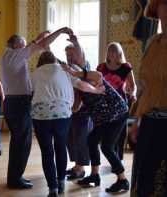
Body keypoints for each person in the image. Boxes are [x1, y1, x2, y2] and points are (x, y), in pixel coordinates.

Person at [1, 27, 73, 189]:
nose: (27, 49)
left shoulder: (8, 56)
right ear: (16, 45)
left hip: (13, 102)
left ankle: (15, 177)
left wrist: (38, 40)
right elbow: (43, 43)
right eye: (24, 46)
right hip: (19, 103)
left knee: (18, 142)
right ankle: (15, 179)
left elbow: (39, 44)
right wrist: (60, 31)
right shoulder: (14, 56)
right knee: (22, 143)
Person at [31, 50, 105, 197]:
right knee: (60, 148)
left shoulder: (35, 73)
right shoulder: (65, 70)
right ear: (55, 61)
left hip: (40, 115)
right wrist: (97, 90)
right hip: (62, 114)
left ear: (41, 62)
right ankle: (60, 183)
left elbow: (30, 92)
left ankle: (52, 188)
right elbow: (83, 86)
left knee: (47, 152)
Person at [63, 68, 130, 193]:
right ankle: (94, 175)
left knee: (107, 147)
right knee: (92, 140)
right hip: (102, 119)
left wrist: (75, 73)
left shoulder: (91, 78)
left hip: (118, 114)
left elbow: (98, 74)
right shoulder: (78, 89)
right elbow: (75, 108)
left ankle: (123, 180)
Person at [130, 0, 167, 196]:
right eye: (164, 5)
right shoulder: (153, 42)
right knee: (144, 182)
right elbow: (145, 86)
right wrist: (137, 120)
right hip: (150, 122)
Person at [97, 42, 137, 161]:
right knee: (109, 134)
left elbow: (133, 86)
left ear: (119, 53)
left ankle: (119, 159)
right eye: (110, 51)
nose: (112, 53)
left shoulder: (125, 67)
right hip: (105, 105)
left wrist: (133, 94)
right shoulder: (101, 68)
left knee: (120, 132)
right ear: (107, 53)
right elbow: (96, 83)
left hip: (120, 105)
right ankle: (113, 158)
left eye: (115, 51)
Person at [64, 37, 93, 180]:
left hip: (82, 109)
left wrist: (76, 43)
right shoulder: (67, 68)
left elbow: (83, 89)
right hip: (70, 109)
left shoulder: (83, 66)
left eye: (72, 54)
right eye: (67, 55)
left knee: (81, 138)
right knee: (70, 137)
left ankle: (81, 169)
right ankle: (76, 165)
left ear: (78, 54)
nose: (69, 57)